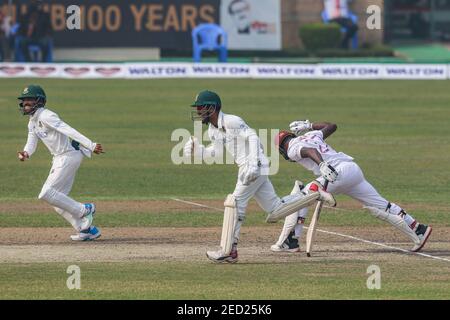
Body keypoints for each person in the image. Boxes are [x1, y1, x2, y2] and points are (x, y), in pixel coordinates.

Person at [184, 91, 336, 263]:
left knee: (235, 203)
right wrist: (200, 151)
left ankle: (229, 250)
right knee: (276, 209)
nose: (198, 111)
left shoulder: (231, 121)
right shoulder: (213, 130)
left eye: (200, 107)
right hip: (248, 167)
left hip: (255, 165)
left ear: (212, 107)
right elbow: (217, 152)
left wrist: (254, 163)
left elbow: (253, 137)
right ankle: (314, 194)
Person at [271, 120, 432, 253]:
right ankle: (418, 228)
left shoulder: (291, 148)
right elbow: (332, 126)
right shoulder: (310, 135)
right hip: (352, 170)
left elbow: (309, 150)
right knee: (383, 205)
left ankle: (290, 240)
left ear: (281, 150)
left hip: (335, 174)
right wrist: (309, 125)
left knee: (301, 195)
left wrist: (322, 165)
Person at [17, 85, 103, 241]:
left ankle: (85, 209)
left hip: (68, 156)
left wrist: (90, 144)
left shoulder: (46, 116)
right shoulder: (32, 122)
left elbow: (68, 130)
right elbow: (31, 142)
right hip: (59, 158)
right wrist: (26, 152)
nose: (25, 104)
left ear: (39, 101)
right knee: (58, 201)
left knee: (46, 193)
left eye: (29, 100)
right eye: (24, 101)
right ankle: (87, 231)